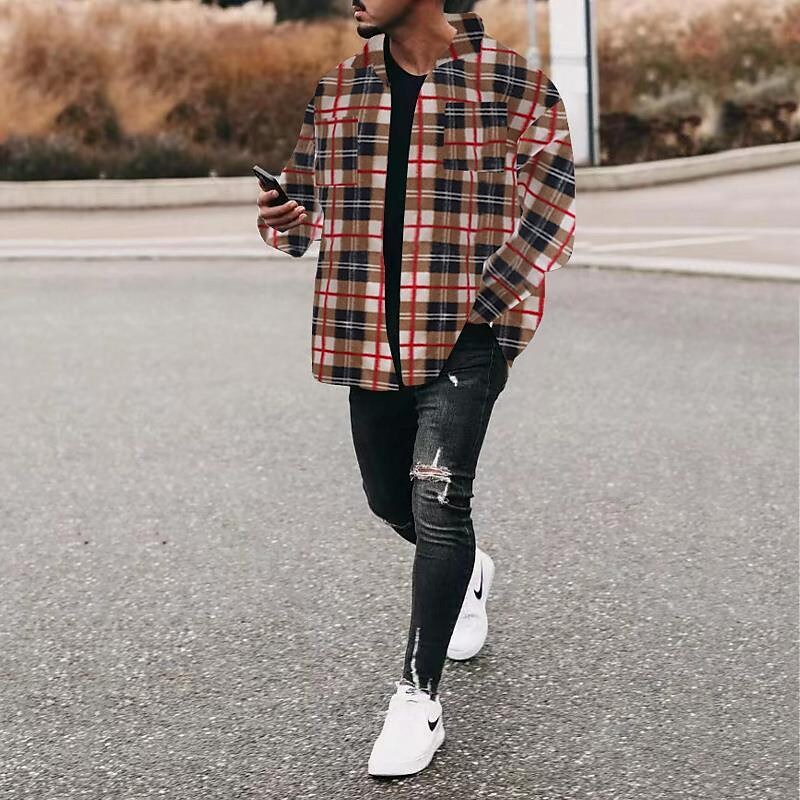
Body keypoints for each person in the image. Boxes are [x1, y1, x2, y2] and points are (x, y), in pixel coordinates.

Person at [256, 0, 576, 777]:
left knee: (438, 499)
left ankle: (417, 699)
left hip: (469, 334)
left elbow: (551, 211)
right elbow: (301, 219)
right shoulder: (338, 88)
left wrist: (481, 306)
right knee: (388, 500)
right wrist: (285, 214)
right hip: (367, 333)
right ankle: (468, 570)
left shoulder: (513, 84)